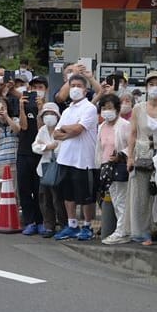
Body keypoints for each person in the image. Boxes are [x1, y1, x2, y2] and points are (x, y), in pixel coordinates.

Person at [126, 71, 157, 245]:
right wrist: (130, 157)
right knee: (142, 195)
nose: (155, 88)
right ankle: (144, 232)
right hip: (143, 153)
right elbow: (132, 133)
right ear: (146, 88)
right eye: (151, 84)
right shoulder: (138, 108)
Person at [53, 74, 99, 241]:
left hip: (84, 160)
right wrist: (68, 130)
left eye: (78, 85)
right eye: (72, 85)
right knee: (68, 195)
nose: (75, 89)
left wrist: (66, 129)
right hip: (66, 158)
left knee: (86, 196)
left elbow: (78, 129)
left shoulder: (89, 108)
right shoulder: (67, 110)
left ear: (85, 90)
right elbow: (56, 134)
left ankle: (87, 226)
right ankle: (72, 225)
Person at [95, 94, 132, 245]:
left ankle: (122, 231)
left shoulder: (124, 125)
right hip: (106, 168)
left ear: (117, 109)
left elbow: (132, 145)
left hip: (120, 167)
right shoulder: (102, 126)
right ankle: (121, 230)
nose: (106, 111)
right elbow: (99, 149)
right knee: (116, 200)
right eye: (104, 108)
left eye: (110, 108)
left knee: (121, 200)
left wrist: (121, 155)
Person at [32, 103, 67, 238]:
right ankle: (49, 226)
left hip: (58, 168)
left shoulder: (61, 130)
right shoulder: (42, 130)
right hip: (44, 169)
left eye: (51, 114)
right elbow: (35, 146)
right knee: (44, 199)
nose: (49, 117)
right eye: (46, 114)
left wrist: (46, 146)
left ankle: (64, 225)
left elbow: (62, 147)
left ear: (57, 116)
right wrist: (47, 147)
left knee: (58, 199)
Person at [18, 76, 48, 235]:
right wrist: (22, 108)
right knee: (24, 188)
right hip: (24, 152)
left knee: (39, 189)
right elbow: (23, 126)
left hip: (41, 153)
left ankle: (41, 220)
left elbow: (41, 129)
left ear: (46, 89)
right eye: (34, 87)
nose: (37, 90)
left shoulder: (49, 108)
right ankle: (29, 221)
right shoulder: (25, 104)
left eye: (40, 87)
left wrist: (41, 110)